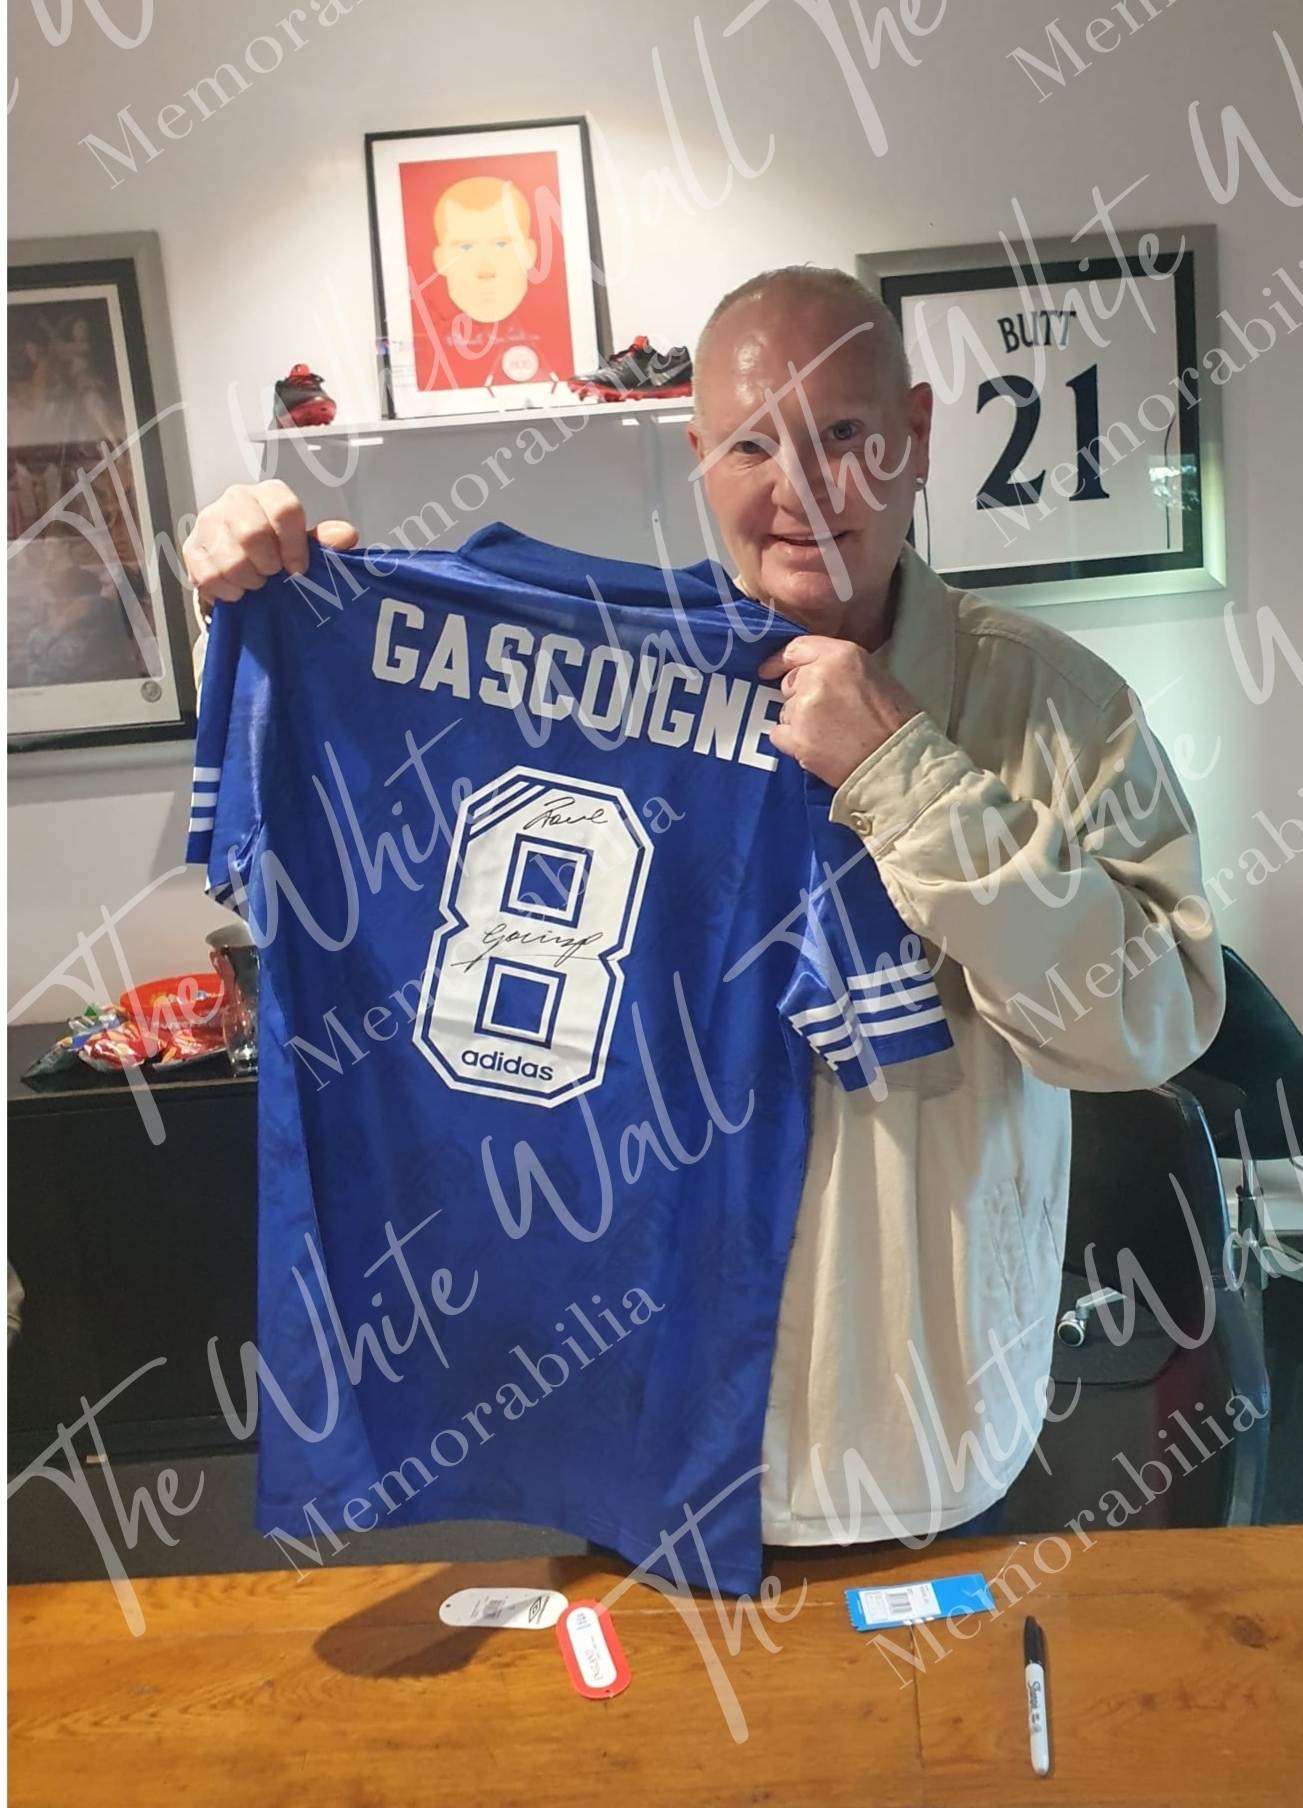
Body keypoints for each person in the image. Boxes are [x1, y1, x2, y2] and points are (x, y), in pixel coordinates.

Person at [182, 265, 1223, 1562]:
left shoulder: (1059, 707)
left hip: (921, 1459)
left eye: (842, 433)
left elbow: (1149, 1023)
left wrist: (906, 773)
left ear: (914, 433)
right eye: (752, 445)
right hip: (636, 1451)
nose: (802, 488)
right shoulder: (581, 683)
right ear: (696, 457)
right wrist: (285, 623)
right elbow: (340, 825)